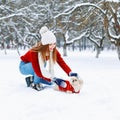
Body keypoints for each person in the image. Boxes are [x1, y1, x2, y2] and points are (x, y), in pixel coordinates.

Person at [19, 26, 79, 91]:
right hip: (24, 66)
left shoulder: (52, 49)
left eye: (54, 44)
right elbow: (38, 70)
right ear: (45, 45)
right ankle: (35, 84)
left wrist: (70, 72)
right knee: (43, 69)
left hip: (37, 68)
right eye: (50, 44)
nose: (53, 46)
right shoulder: (35, 52)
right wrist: (53, 78)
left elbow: (61, 62)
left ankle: (31, 79)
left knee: (50, 82)